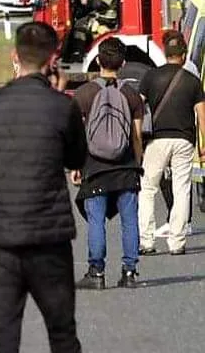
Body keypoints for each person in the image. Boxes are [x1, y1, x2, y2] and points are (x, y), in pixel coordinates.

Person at [0, 21, 87, 353]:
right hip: (48, 239)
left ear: (14, 56)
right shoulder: (62, 108)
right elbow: (75, 158)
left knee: (5, 338)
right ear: (53, 60)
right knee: (62, 330)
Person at [70, 37, 144, 289]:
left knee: (96, 220)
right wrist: (137, 163)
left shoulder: (84, 94)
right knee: (129, 220)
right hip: (125, 169)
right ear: (123, 63)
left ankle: (96, 272)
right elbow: (136, 136)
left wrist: (76, 165)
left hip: (95, 167)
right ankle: (130, 272)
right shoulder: (132, 95)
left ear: (98, 61)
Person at [137, 30, 205, 255]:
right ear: (183, 55)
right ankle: (177, 242)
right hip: (184, 140)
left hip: (157, 140)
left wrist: (136, 139)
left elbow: (138, 108)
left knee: (147, 188)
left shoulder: (150, 77)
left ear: (165, 54)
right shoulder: (193, 81)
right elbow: (202, 115)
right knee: (182, 188)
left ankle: (147, 241)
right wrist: (204, 144)